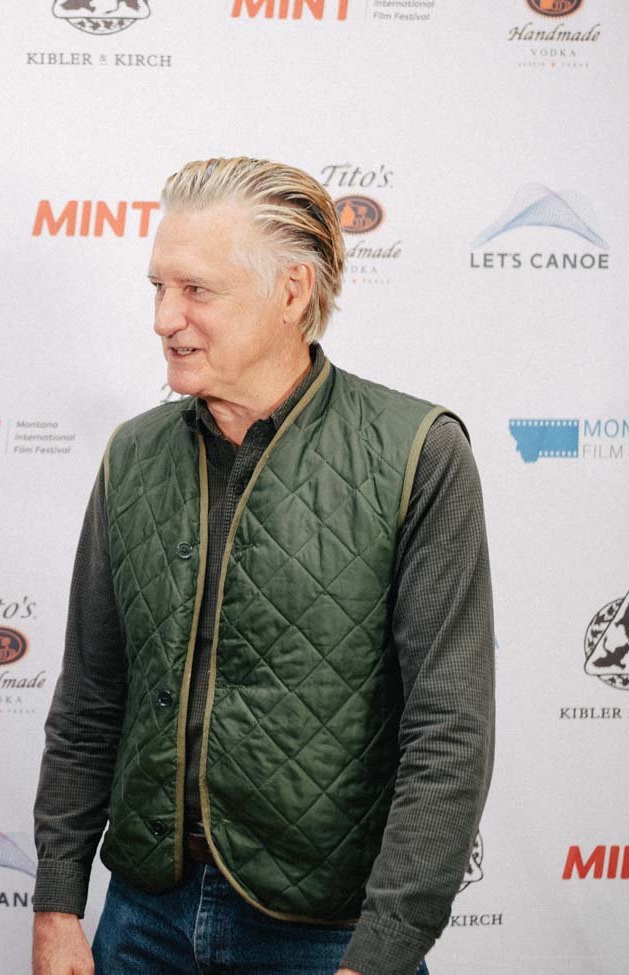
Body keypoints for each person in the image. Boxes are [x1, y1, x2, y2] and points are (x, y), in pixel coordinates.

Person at [31, 157, 494, 975]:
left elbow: (448, 732)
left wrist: (380, 954)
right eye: (158, 287)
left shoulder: (419, 454)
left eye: (197, 289)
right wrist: (59, 900)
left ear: (291, 292)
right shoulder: (133, 455)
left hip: (329, 939)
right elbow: (90, 699)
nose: (165, 317)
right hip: (142, 921)